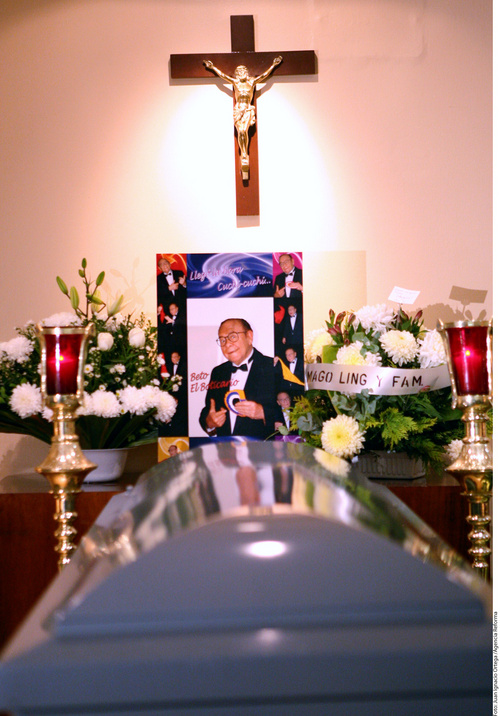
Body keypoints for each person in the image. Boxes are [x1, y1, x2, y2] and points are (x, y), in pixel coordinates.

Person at [199, 318, 279, 439]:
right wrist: (209, 422)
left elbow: (292, 411)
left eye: (233, 336)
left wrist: (263, 413)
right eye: (222, 340)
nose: (227, 344)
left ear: (249, 337)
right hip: (225, 449)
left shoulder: (273, 367)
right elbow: (208, 410)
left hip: (263, 449)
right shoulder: (218, 372)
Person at [203, 57, 282, 177]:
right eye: (239, 72)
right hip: (239, 110)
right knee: (241, 131)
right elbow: (223, 76)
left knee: (244, 130)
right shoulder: (236, 83)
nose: (242, 73)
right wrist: (212, 67)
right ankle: (244, 153)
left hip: (248, 109)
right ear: (237, 74)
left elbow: (263, 76)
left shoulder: (252, 82)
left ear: (247, 73)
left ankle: (245, 153)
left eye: (244, 71)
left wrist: (273, 65)